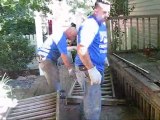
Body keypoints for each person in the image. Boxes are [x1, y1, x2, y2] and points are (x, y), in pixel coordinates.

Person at [74, 0, 111, 120]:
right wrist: (91, 69)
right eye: (104, 12)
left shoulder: (101, 23)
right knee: (93, 106)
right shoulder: (90, 24)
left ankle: (82, 117)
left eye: (108, 12)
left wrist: (103, 56)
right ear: (95, 11)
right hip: (87, 69)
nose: (107, 15)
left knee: (89, 98)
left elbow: (98, 43)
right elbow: (81, 48)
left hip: (96, 66)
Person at [37, 23, 77, 97]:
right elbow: (64, 55)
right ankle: (55, 98)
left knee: (55, 76)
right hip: (46, 60)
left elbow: (62, 49)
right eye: (74, 36)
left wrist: (73, 47)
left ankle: (57, 93)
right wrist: (70, 69)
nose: (74, 38)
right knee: (53, 80)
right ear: (70, 33)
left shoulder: (61, 36)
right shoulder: (61, 37)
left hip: (46, 59)